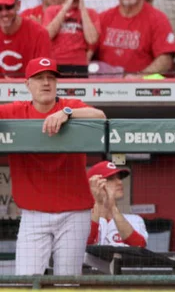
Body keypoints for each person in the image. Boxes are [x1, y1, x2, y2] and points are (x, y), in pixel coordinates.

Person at [0, 57, 106, 275]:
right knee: (26, 280)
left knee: (67, 282)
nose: (46, 83)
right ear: (28, 84)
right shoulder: (16, 110)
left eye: (51, 77)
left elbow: (100, 117)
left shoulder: (70, 106)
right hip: (33, 214)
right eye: (39, 78)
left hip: (74, 214)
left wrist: (67, 113)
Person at [95, 0, 175, 77]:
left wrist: (139, 77)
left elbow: (165, 59)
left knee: (157, 79)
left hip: (143, 85)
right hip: (106, 83)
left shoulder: (158, 18)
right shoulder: (103, 18)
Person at [43, 0, 100, 76]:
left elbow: (92, 39)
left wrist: (82, 8)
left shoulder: (91, 13)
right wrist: (66, 7)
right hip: (55, 64)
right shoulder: (52, 10)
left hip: (79, 65)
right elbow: (47, 35)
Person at [87, 161, 148, 248]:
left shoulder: (134, 220)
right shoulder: (81, 219)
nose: (120, 182)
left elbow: (139, 246)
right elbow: (85, 243)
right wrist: (97, 202)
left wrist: (113, 208)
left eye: (119, 178)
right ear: (94, 186)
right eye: (111, 178)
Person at [0, 0, 52, 77]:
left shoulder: (39, 33)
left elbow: (43, 74)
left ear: (18, 5)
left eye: (9, 7)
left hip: (29, 89)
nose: (4, 13)